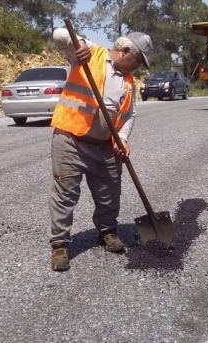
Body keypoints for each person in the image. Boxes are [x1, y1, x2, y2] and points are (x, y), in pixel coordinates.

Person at [48, 27, 151, 271]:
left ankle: (107, 231)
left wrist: (122, 138)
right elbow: (59, 34)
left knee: (109, 192)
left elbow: (129, 114)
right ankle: (60, 244)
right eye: (138, 60)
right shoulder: (90, 53)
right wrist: (80, 43)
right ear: (124, 51)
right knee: (65, 193)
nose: (138, 66)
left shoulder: (128, 81)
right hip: (71, 139)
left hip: (105, 145)